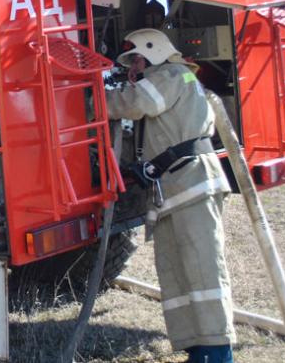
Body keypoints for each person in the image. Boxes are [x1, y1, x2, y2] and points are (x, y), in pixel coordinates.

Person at [105, 28, 235, 363]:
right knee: (177, 271)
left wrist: (89, 101)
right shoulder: (171, 78)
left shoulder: (171, 75)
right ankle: (197, 347)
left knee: (203, 270)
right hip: (177, 188)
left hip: (191, 186)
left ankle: (218, 352)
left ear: (155, 52)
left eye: (137, 59)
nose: (134, 67)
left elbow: (132, 103)